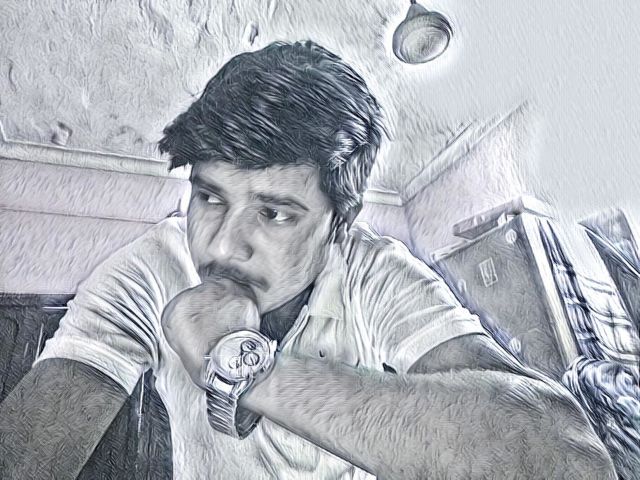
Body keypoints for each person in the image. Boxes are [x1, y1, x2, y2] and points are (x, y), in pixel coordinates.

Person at [0, 40, 615, 480]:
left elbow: (568, 454)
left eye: (274, 213)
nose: (221, 246)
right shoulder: (149, 269)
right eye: (209, 197)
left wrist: (240, 364)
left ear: (338, 224)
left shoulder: (373, 268)